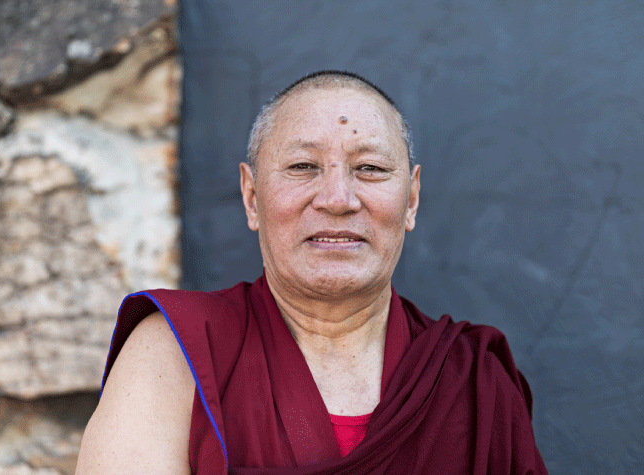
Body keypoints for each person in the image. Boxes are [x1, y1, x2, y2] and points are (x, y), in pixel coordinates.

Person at [75, 71, 548, 474]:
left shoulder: (472, 379)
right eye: (303, 166)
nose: (338, 198)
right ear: (252, 196)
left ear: (412, 199)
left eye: (370, 168)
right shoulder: (172, 352)